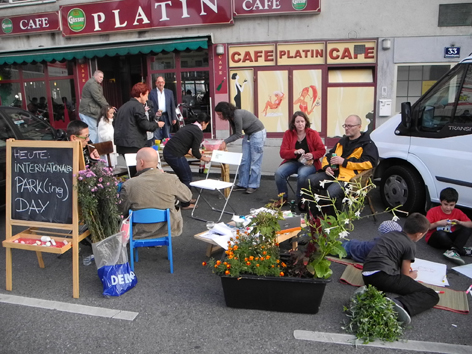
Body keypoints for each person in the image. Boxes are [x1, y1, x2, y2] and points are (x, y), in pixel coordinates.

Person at [362, 213, 439, 325]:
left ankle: (370, 293)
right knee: (431, 295)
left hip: (366, 275)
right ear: (419, 235)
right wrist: (413, 275)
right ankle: (400, 304)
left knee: (389, 281)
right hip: (382, 277)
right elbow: (405, 275)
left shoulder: (392, 233)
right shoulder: (411, 245)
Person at [303, 114, 378, 213]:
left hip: (352, 179)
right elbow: (328, 156)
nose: (346, 128)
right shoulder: (342, 141)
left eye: (350, 126)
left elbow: (370, 163)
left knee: (332, 192)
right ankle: (314, 213)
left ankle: (334, 221)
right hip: (335, 174)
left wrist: (344, 162)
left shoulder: (367, 144)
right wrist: (326, 168)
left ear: (359, 126)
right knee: (309, 180)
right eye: (345, 126)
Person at [120, 147, 192, 239]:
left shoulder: (129, 184)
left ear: (141, 162)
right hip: (168, 229)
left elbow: (120, 210)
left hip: (139, 231)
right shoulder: (170, 179)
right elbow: (187, 197)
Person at [273, 111, 325, 206]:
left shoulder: (313, 134)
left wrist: (312, 154)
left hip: (310, 163)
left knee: (302, 174)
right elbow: (282, 153)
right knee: (279, 173)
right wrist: (294, 151)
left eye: (302, 121)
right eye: (297, 122)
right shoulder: (288, 134)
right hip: (293, 162)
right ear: (293, 123)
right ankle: (283, 198)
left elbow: (322, 150)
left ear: (306, 122)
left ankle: (301, 199)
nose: (300, 124)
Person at [215, 102, 266, 194]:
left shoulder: (237, 115)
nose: (219, 117)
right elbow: (236, 133)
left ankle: (253, 185)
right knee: (244, 160)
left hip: (258, 133)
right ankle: (243, 184)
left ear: (224, 112)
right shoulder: (231, 117)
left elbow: (238, 134)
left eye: (219, 114)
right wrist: (225, 141)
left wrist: (225, 142)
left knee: (255, 161)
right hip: (249, 133)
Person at [163, 113, 211, 210]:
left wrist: (192, 153)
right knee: (186, 177)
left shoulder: (189, 127)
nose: (206, 126)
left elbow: (185, 143)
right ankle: (185, 203)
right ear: (203, 123)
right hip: (174, 154)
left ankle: (185, 198)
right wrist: (204, 158)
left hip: (169, 151)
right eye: (207, 124)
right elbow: (195, 151)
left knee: (184, 177)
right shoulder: (198, 131)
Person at [425, 187, 472, 265]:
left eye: (451, 205)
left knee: (467, 228)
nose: (448, 208)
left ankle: (454, 250)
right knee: (441, 233)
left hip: (449, 238)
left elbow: (470, 224)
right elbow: (426, 227)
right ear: (440, 201)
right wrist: (439, 223)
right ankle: (460, 250)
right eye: (445, 204)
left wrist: (459, 222)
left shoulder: (457, 212)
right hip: (434, 238)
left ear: (455, 203)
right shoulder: (433, 211)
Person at [114, 82, 160, 156]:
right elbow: (145, 125)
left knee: (132, 166)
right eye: (146, 95)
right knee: (140, 166)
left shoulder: (123, 106)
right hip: (133, 144)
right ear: (141, 94)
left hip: (121, 144)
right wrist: (157, 124)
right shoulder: (138, 106)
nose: (147, 99)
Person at [79, 70, 111, 144]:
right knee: (92, 131)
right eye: (100, 77)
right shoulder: (92, 84)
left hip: (89, 111)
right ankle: (93, 150)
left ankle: (94, 150)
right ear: (95, 76)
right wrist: (108, 107)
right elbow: (98, 98)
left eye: (102, 77)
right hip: (88, 112)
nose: (101, 79)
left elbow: (100, 97)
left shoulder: (94, 84)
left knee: (94, 131)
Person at [148, 76, 177, 140]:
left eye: (162, 82)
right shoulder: (152, 93)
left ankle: (166, 148)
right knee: (156, 135)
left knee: (166, 135)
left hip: (166, 115)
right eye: (159, 82)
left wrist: (173, 118)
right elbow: (149, 105)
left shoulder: (169, 92)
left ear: (164, 83)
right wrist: (153, 114)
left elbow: (172, 105)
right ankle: (158, 149)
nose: (160, 84)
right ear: (156, 83)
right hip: (156, 116)